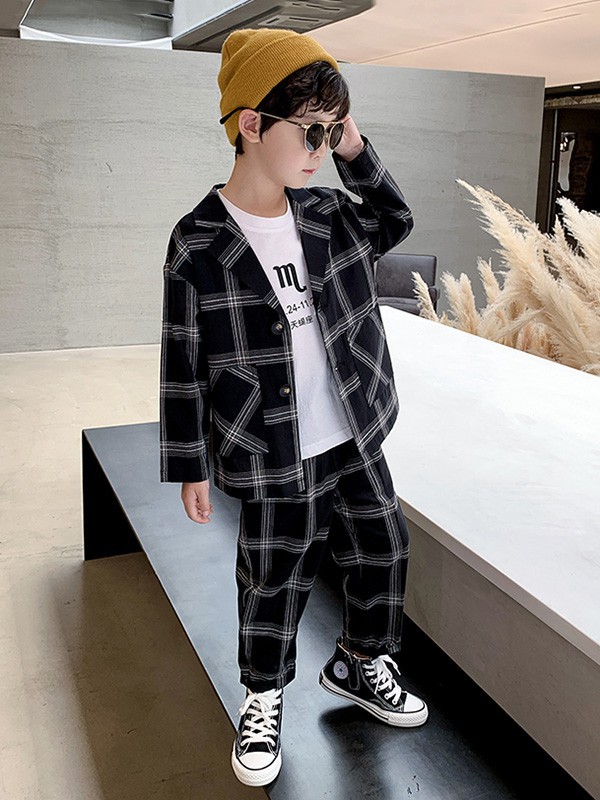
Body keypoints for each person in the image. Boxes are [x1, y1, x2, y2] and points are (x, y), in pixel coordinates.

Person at [159, 27, 428, 788]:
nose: (320, 148)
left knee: (384, 547)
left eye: (330, 132)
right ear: (251, 124)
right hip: (271, 445)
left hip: (352, 429)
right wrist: (190, 463)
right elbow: (182, 358)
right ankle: (263, 695)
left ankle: (360, 662)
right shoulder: (198, 242)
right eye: (310, 131)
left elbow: (395, 219)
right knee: (273, 576)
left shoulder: (329, 214)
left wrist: (354, 147)